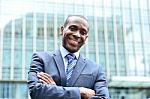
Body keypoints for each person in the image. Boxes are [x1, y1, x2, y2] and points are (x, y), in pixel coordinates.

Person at [28, 15, 110, 99]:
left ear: (86, 38)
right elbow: (36, 91)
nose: (77, 35)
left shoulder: (96, 69)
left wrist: (54, 90)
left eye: (83, 32)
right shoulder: (41, 59)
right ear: (62, 30)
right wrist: (80, 92)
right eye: (73, 29)